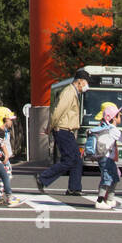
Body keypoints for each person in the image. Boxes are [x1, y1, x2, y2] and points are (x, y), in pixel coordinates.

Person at [37, 68, 91, 197]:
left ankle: (74, 188)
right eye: (86, 82)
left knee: (77, 160)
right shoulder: (69, 92)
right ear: (79, 81)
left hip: (67, 130)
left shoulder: (74, 93)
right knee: (69, 159)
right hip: (62, 130)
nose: (87, 85)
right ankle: (43, 178)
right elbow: (58, 111)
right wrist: (50, 126)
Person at [87, 101, 122, 210]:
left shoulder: (107, 128)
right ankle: (100, 200)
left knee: (115, 176)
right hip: (105, 158)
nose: (120, 116)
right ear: (113, 118)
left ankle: (110, 199)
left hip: (107, 158)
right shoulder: (113, 130)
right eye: (118, 115)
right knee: (107, 178)